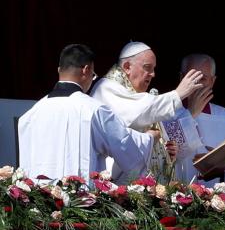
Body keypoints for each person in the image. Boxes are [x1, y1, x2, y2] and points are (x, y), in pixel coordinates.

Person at [18, 44, 158, 182]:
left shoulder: (30, 115)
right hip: (81, 201)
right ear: (86, 70)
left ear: (59, 70)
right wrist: (149, 138)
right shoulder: (93, 110)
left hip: (38, 200)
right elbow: (123, 145)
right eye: (93, 74)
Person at [90, 41, 203, 183]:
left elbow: (147, 122)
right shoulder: (107, 88)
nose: (153, 74)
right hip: (116, 181)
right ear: (127, 67)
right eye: (147, 68)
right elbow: (138, 113)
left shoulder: (142, 98)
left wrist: (164, 151)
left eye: (154, 68)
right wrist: (177, 94)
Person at [171, 54, 225, 185]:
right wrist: (190, 113)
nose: (197, 84)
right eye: (192, 77)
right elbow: (162, 154)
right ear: (181, 78)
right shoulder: (167, 112)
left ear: (212, 81)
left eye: (203, 78)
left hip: (218, 199)